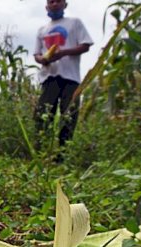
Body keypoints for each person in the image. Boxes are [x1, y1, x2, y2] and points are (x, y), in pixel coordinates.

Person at [33, 0, 93, 149]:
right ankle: (41, 151)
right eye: (51, 2)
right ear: (46, 6)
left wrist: (63, 53)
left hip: (70, 78)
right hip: (49, 77)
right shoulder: (42, 29)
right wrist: (43, 60)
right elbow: (37, 54)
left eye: (58, 1)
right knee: (43, 115)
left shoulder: (74, 23)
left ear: (65, 4)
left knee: (68, 116)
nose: (54, 4)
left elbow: (85, 45)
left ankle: (62, 155)